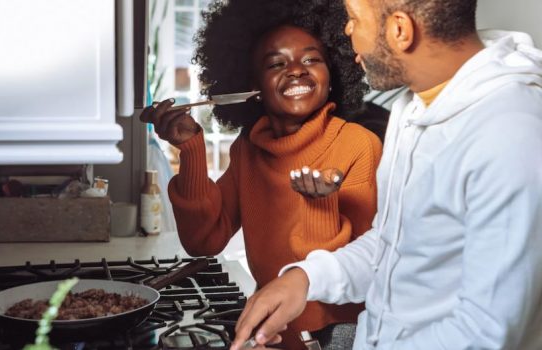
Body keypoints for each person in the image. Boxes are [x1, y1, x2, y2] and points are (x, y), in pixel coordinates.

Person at [230, 0, 542, 349]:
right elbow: (392, 244)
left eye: (353, 18)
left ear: (400, 30)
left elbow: (487, 334)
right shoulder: (413, 109)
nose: (347, 31)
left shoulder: (514, 134)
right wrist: (306, 278)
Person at [139, 0, 383, 348]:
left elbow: (368, 268)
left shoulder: (359, 145)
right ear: (252, 86)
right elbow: (203, 241)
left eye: (311, 59)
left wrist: (321, 206)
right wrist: (191, 149)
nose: (297, 70)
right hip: (274, 329)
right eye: (276, 63)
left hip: (340, 336)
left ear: (334, 73)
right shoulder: (249, 149)